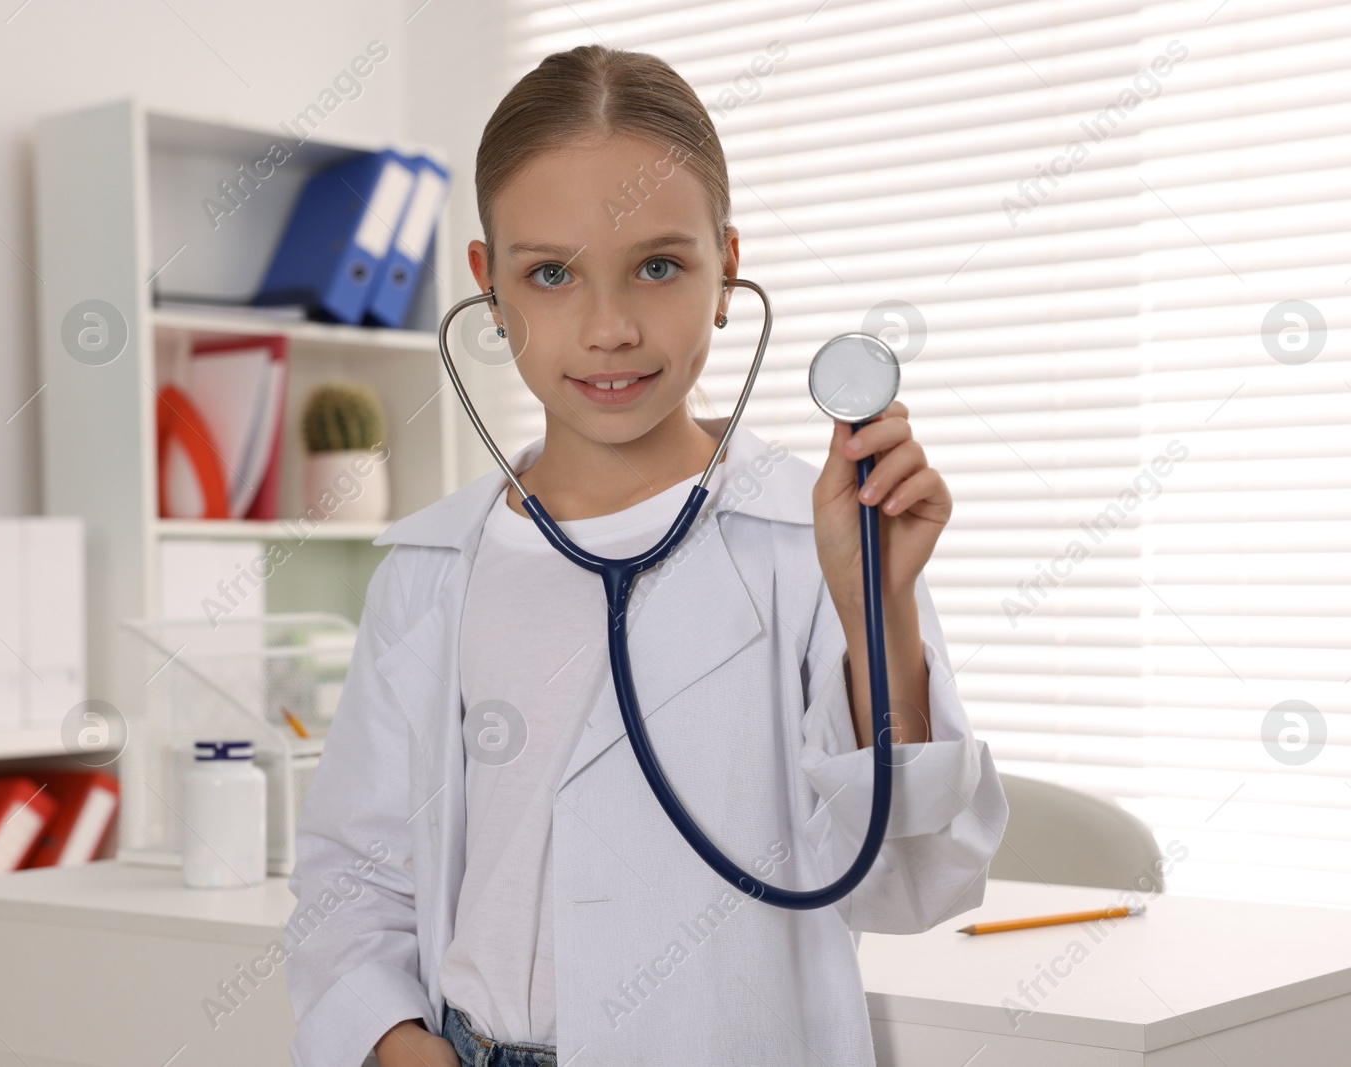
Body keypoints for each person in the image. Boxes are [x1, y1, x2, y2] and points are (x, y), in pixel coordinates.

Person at [284, 42, 1007, 1067]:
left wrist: (874, 611)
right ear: (490, 290)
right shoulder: (431, 564)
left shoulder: (819, 539)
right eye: (551, 274)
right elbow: (351, 877)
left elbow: (909, 882)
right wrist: (401, 1046)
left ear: (727, 270)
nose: (611, 326)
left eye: (659, 265)